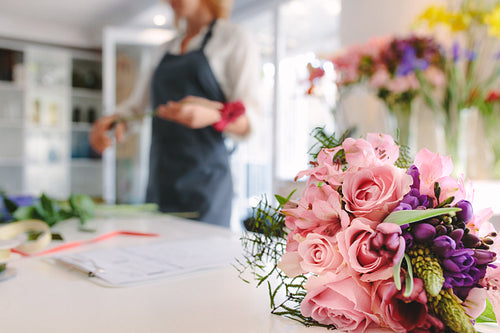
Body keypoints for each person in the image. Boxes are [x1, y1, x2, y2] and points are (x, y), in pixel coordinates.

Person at [89, 0, 261, 228]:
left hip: (207, 186)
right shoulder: (161, 51)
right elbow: (136, 108)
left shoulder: (234, 39)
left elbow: (249, 120)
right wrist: (112, 123)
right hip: (161, 182)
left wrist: (211, 114)